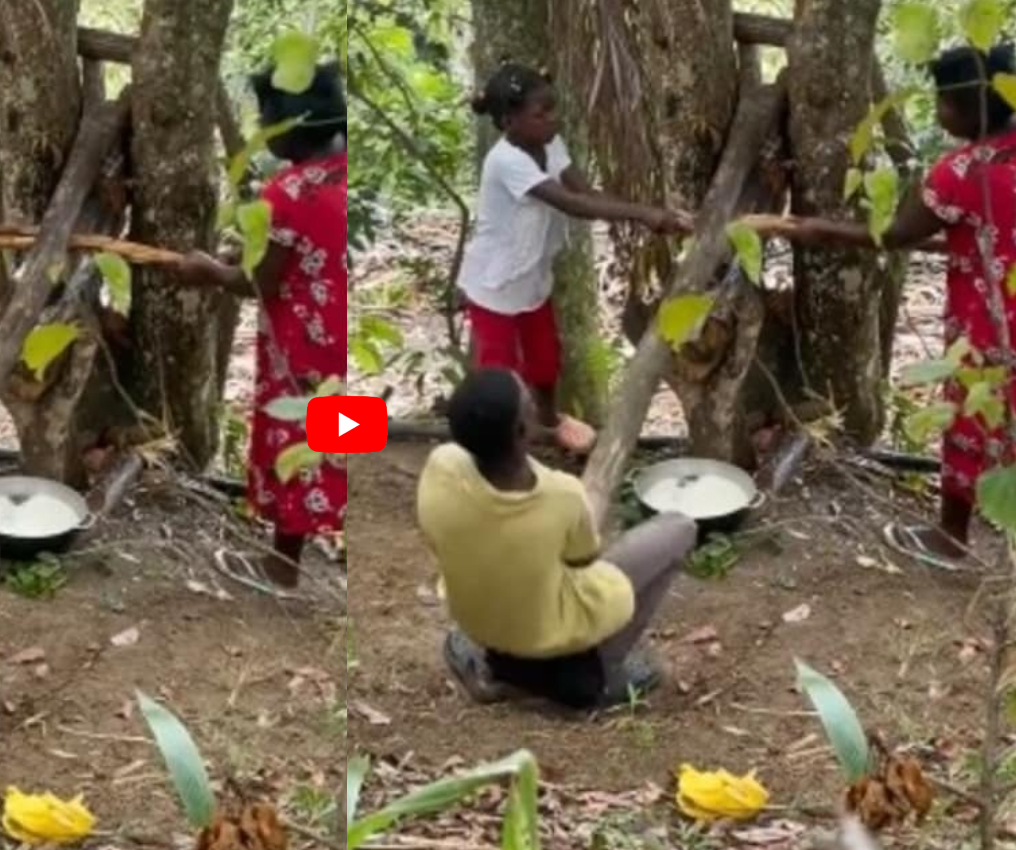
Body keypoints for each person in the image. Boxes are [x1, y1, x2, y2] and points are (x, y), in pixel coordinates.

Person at [799, 45, 1016, 567]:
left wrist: (818, 229)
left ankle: (950, 537)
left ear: (976, 104)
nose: (938, 114)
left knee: (973, 412)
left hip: (1012, 320)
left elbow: (899, 233)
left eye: (945, 103)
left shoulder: (960, 172)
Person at [416, 368, 699, 712]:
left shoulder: (441, 467)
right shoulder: (561, 495)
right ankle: (603, 672)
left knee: (502, 567)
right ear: (522, 430)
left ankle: (498, 667)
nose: (535, 403)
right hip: (556, 643)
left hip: (483, 626)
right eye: (528, 402)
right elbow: (582, 561)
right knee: (680, 529)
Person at [460, 63, 692, 454]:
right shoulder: (505, 162)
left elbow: (586, 191)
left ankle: (548, 424)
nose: (552, 120)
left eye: (553, 110)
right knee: (499, 376)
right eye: (541, 114)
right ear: (508, 120)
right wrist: (646, 215)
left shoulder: (550, 145)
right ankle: (498, 449)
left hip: (532, 280)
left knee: (546, 361)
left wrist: (655, 214)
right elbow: (573, 205)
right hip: (494, 286)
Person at [177, 61, 347, 588]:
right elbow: (295, 251)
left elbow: (258, 282)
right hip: (341, 335)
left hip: (301, 340)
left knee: (297, 433)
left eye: (264, 117)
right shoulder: (342, 173)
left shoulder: (287, 192)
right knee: (339, 426)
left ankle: (283, 564)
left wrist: (208, 270)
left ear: (287, 124)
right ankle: (340, 530)